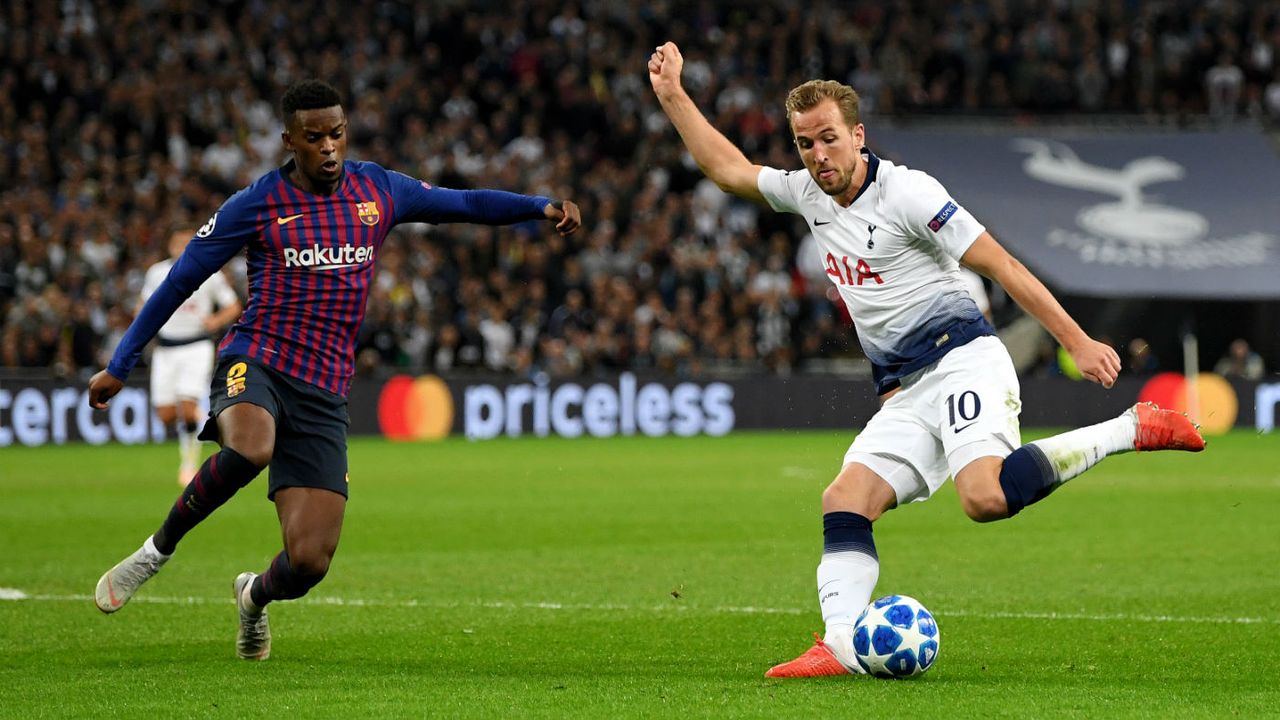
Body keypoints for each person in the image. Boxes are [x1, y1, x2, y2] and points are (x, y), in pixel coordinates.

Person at [647, 42, 1204, 678]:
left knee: (985, 498)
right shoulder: (807, 193)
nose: (818, 156)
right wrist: (672, 95)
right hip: (906, 388)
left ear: (858, 135)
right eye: (805, 144)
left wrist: (1075, 339)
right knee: (844, 500)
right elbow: (729, 170)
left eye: (829, 139)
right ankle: (837, 646)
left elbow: (1001, 264)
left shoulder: (909, 193)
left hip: (964, 358)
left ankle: (1130, 427)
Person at [88, 79, 581, 660]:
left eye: (337, 134)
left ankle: (252, 598)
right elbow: (180, 280)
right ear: (289, 141)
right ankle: (157, 551)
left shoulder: (379, 190)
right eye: (314, 136)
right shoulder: (256, 204)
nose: (328, 147)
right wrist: (121, 363)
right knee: (250, 448)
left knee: (309, 563)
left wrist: (538, 205)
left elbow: (463, 203)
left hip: (324, 390)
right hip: (259, 359)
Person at [139, 228, 243, 486]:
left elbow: (233, 306)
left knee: (186, 409)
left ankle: (188, 465)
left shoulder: (210, 273)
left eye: (187, 243)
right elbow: (143, 304)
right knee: (165, 415)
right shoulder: (157, 272)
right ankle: (211, 419)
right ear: (170, 245)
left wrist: (216, 320)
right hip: (165, 348)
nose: (181, 248)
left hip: (196, 346)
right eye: (177, 243)